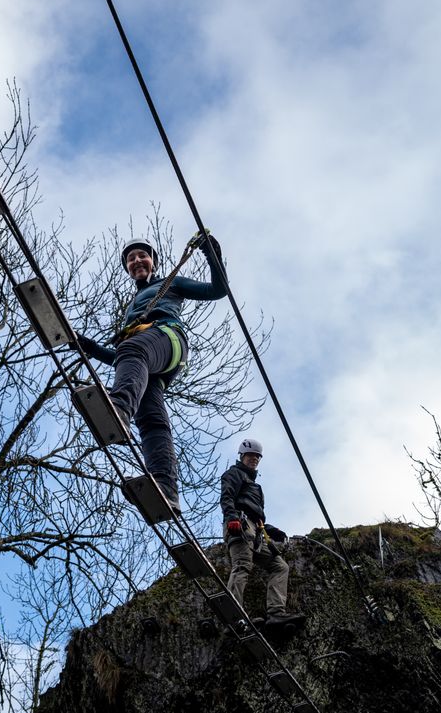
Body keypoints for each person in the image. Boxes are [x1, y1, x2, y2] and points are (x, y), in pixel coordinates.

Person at [76, 234, 226, 514]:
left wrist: (211, 255)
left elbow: (218, 291)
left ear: (153, 261)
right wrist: (93, 349)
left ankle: (119, 409)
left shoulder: (169, 284)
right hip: (154, 361)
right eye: (131, 259)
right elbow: (128, 362)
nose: (136, 261)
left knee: (132, 349)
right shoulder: (133, 306)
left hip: (167, 338)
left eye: (141, 255)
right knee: (151, 421)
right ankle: (166, 487)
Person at [220, 438, 303, 625]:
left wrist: (272, 530)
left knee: (280, 566)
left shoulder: (255, 486)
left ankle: (276, 612)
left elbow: (256, 516)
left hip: (255, 532)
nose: (254, 459)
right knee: (242, 566)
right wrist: (232, 518)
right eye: (250, 456)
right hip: (240, 526)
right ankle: (233, 616)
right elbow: (227, 497)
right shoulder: (234, 474)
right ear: (242, 456)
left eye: (257, 457)